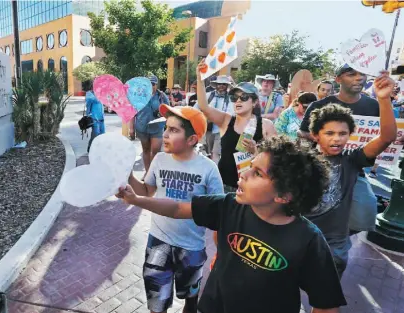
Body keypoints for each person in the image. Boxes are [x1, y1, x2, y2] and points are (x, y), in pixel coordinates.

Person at [117, 135, 346, 313]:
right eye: (250, 166)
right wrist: (137, 200)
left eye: (257, 173)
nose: (244, 175)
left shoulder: (309, 240)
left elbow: (325, 304)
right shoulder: (230, 205)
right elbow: (178, 208)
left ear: (284, 195)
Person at [127, 104, 223, 313]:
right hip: (158, 242)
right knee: (156, 300)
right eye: (166, 129)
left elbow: (217, 210)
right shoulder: (160, 160)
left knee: (190, 297)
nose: (165, 135)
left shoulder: (208, 169)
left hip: (191, 247)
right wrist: (127, 176)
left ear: (192, 140)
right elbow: (146, 191)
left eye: (173, 130)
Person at [305, 72, 396, 278]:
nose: (337, 139)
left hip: (334, 246)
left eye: (342, 134)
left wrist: (383, 99)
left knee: (326, 299)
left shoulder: (352, 159)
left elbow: (388, 137)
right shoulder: (302, 161)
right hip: (301, 238)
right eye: (329, 133)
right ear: (316, 135)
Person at [299, 64, 381, 234]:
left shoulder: (374, 106)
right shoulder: (318, 105)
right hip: (320, 166)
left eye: (362, 74)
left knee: (366, 208)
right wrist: (325, 139)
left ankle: (342, 240)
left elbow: (384, 136)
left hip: (354, 168)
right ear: (338, 79)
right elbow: (302, 133)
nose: (359, 78)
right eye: (352, 74)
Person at [196, 63, 276, 192]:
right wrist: (200, 79)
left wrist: (255, 151)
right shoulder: (226, 120)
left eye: (244, 97)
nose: (238, 101)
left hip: (252, 187)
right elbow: (204, 107)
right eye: (234, 97)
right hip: (224, 185)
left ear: (255, 102)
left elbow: (275, 158)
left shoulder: (266, 125)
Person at [129, 75, 170, 178]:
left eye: (153, 84)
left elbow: (169, 111)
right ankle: (148, 173)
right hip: (142, 127)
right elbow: (132, 112)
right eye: (149, 84)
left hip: (157, 127)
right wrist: (131, 128)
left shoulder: (161, 96)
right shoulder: (139, 96)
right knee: (146, 150)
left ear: (156, 85)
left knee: (155, 151)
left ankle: (153, 172)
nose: (151, 86)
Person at [194, 75, 233, 164]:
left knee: (216, 154)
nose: (221, 86)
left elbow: (230, 115)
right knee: (204, 151)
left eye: (224, 84)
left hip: (221, 130)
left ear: (227, 86)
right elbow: (195, 108)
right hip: (206, 129)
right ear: (216, 85)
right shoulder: (207, 96)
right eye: (219, 84)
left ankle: (216, 174)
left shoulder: (230, 99)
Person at [85, 81, 105, 152]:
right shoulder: (89, 94)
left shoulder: (100, 94)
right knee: (95, 134)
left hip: (101, 117)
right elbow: (90, 102)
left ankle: (99, 148)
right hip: (94, 117)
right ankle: (90, 146)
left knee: (102, 134)